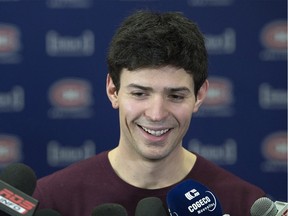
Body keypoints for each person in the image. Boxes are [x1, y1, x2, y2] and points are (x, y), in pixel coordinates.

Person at [33, 10, 266, 216]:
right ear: (113, 90)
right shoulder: (50, 200)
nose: (156, 114)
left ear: (200, 96)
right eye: (140, 94)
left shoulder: (244, 205)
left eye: (175, 96)